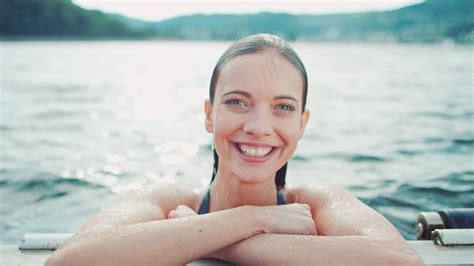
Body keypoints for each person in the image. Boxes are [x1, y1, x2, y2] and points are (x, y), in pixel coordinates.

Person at [46, 34, 423, 265]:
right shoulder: (167, 203)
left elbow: (398, 261)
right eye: (238, 102)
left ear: (302, 124)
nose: (259, 127)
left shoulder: (315, 203)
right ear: (209, 115)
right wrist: (249, 219)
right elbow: (71, 261)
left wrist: (219, 244)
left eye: (284, 107)